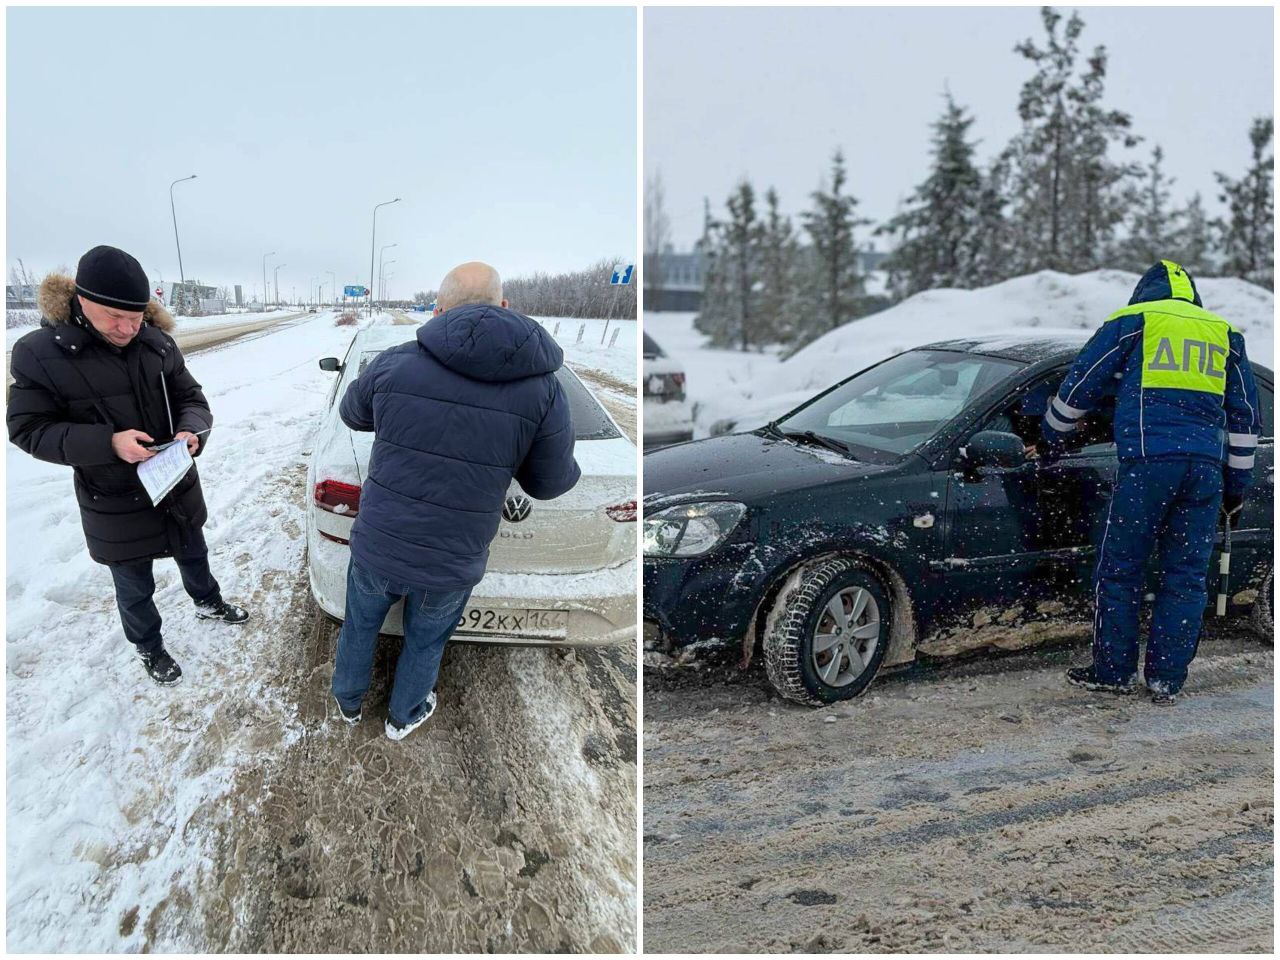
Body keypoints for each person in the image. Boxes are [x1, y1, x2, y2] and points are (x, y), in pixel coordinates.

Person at [331, 261, 581, 740]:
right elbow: (548, 483)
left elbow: (352, 413)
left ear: (438, 310)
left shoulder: (396, 361)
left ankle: (347, 703)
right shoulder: (544, 388)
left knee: (359, 626)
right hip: (453, 557)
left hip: (380, 543)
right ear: (504, 305)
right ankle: (403, 717)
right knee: (426, 639)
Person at [7, 246, 249, 687]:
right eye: (112, 317)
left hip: (173, 482)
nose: (127, 328)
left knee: (194, 552)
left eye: (136, 317)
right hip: (113, 495)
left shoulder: (158, 343)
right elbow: (28, 429)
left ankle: (208, 601)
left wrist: (192, 431)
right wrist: (108, 443)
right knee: (134, 584)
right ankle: (149, 647)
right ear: (80, 300)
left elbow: (191, 399)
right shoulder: (38, 353)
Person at [1040, 260, 1261, 705]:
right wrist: (1235, 485)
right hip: (1204, 471)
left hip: (1149, 464)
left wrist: (1050, 437)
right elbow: (1244, 418)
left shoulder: (1134, 321)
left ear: (1145, 291)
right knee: (1185, 576)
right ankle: (1166, 679)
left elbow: (1080, 385)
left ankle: (1112, 671)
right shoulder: (1224, 333)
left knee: (1122, 570)